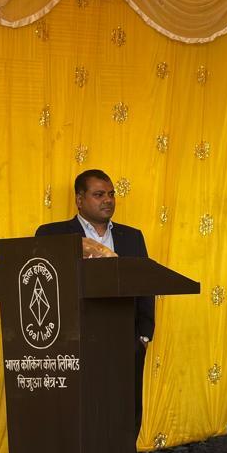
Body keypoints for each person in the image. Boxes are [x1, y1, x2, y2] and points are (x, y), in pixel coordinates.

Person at [36, 169, 154, 433]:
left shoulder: (132, 237)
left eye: (111, 194)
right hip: (73, 342)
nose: (108, 200)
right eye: (99, 194)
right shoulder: (52, 234)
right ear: (79, 200)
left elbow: (145, 284)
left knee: (125, 410)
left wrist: (143, 336)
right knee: (81, 412)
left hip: (125, 340)